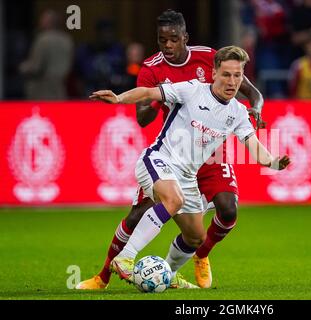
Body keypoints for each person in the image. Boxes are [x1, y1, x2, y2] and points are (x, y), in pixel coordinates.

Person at [76, 10, 265, 290]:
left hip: (211, 151)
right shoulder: (152, 68)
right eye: (162, 39)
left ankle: (201, 256)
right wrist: (161, 98)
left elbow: (251, 92)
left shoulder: (209, 57)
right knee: (138, 213)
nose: (167, 45)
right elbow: (142, 118)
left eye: (173, 39)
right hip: (176, 153)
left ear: (185, 38)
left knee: (228, 210)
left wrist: (256, 110)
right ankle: (102, 277)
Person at [19, 9, 74, 100]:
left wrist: (22, 67)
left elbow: (36, 67)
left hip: (42, 91)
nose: (40, 22)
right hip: (60, 89)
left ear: (49, 22)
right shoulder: (67, 39)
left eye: (42, 20)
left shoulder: (43, 39)